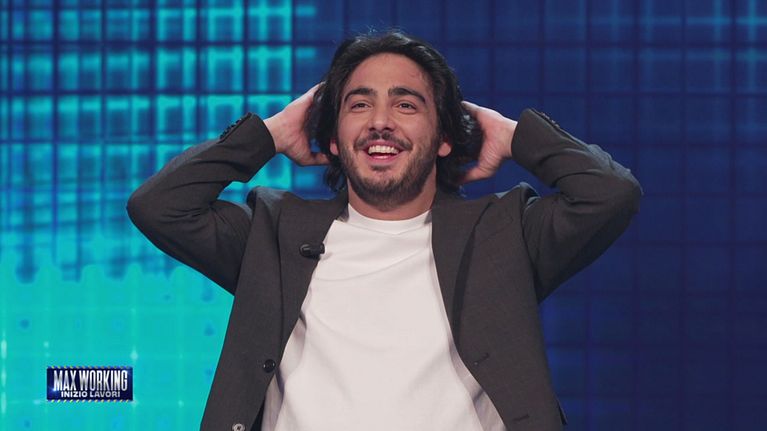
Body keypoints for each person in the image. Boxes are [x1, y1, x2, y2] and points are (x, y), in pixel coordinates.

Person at [127, 31, 641, 431]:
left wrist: (511, 135)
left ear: (444, 137)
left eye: (406, 104)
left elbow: (610, 194)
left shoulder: (503, 236)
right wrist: (271, 133)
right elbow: (159, 206)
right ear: (333, 139)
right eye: (359, 104)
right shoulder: (273, 234)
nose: (380, 121)